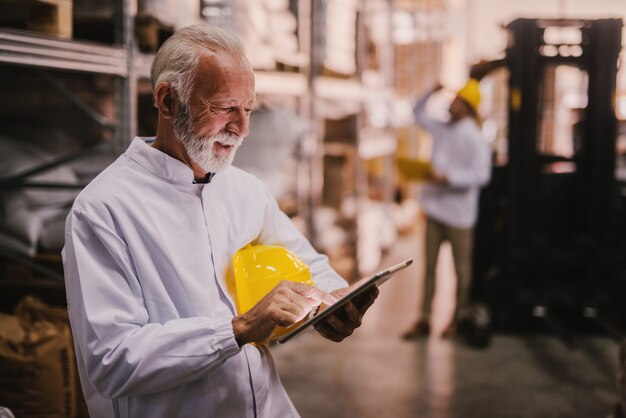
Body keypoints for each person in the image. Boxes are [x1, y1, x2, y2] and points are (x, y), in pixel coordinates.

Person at [62, 24, 378, 418]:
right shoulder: (103, 211)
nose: (242, 129)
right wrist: (238, 330)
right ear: (168, 101)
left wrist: (333, 301)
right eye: (226, 107)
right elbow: (111, 361)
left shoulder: (243, 190)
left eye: (248, 109)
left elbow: (307, 263)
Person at [403, 79, 491, 339]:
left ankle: (458, 318)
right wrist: (430, 90)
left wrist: (449, 177)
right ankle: (425, 319)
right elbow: (417, 113)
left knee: (461, 270)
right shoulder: (442, 128)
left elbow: (481, 175)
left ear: (467, 107)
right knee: (429, 268)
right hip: (435, 210)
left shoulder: (475, 138)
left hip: (460, 215)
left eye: (457, 101)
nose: (451, 105)